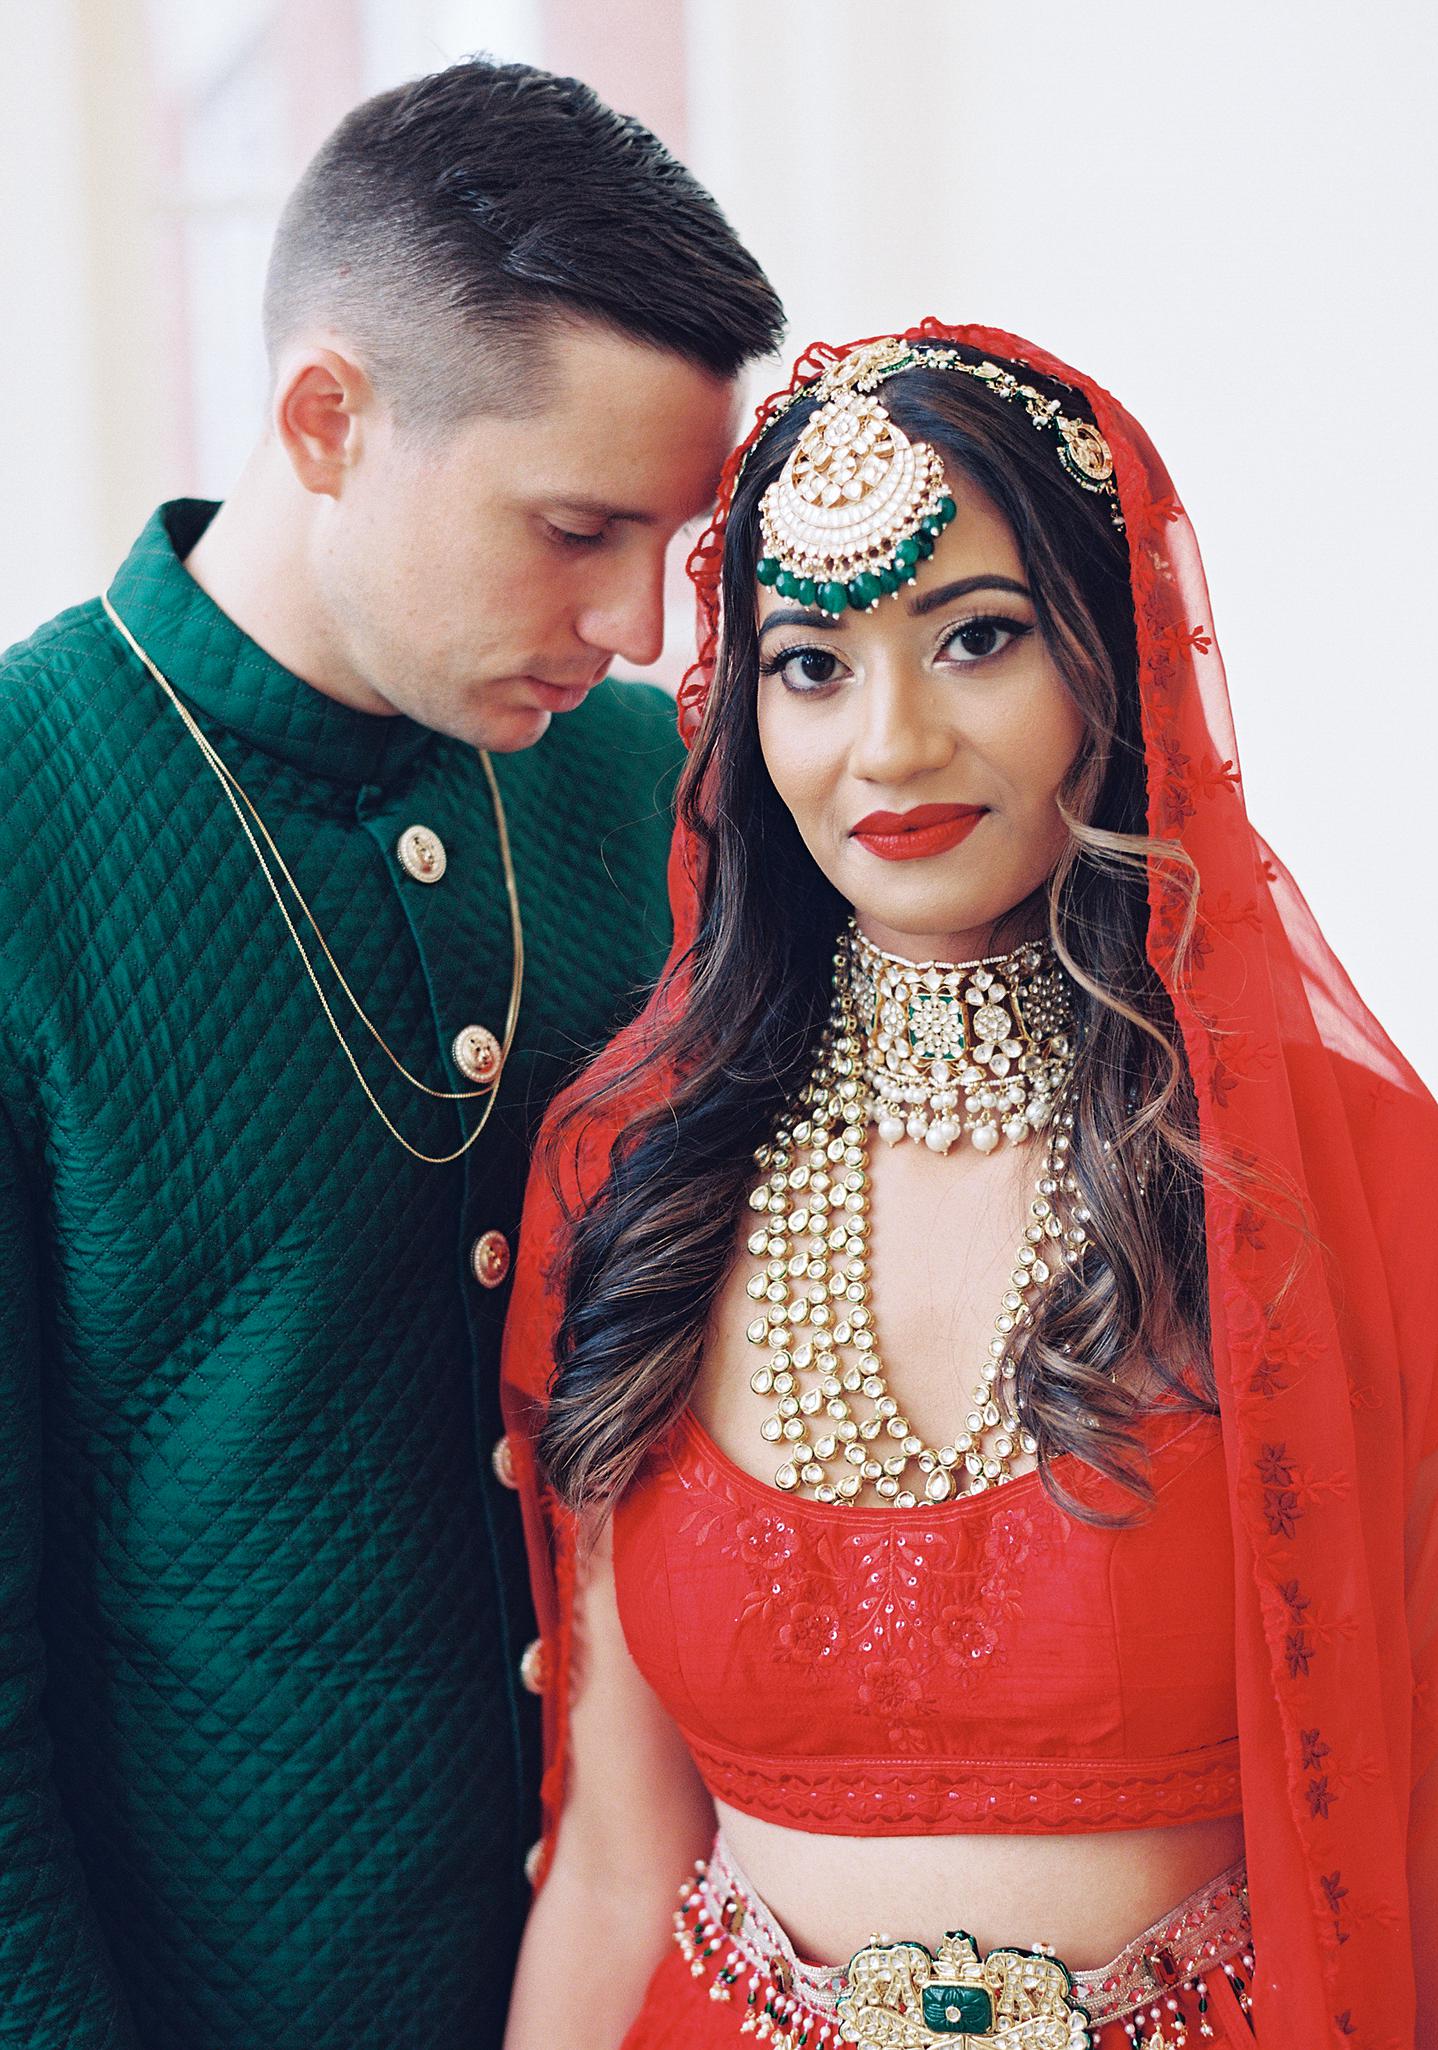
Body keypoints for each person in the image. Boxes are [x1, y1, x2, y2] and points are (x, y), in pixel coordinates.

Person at [499, 325, 1438, 2048]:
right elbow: (610, 1855)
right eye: (810, 664)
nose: (887, 743)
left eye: (976, 639)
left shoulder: (1362, 1190)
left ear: (1110, 665)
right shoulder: (631, 1171)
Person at [0, 59, 781, 2050]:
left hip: (666, 1979)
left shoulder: (643, 786)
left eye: (667, 545)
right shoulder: (27, 808)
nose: (628, 621)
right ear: (327, 420)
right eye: (575, 527)